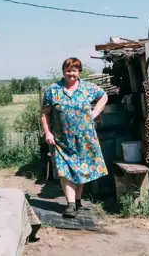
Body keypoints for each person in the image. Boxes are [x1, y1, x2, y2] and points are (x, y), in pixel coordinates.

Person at [40, 57, 109, 218]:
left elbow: (104, 96)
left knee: (81, 168)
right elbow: (44, 114)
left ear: (79, 72)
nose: (71, 74)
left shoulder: (87, 88)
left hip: (84, 139)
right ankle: (70, 204)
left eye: (75, 70)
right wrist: (47, 133)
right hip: (61, 140)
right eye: (68, 70)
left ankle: (77, 202)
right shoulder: (53, 90)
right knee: (65, 171)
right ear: (63, 72)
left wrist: (94, 113)